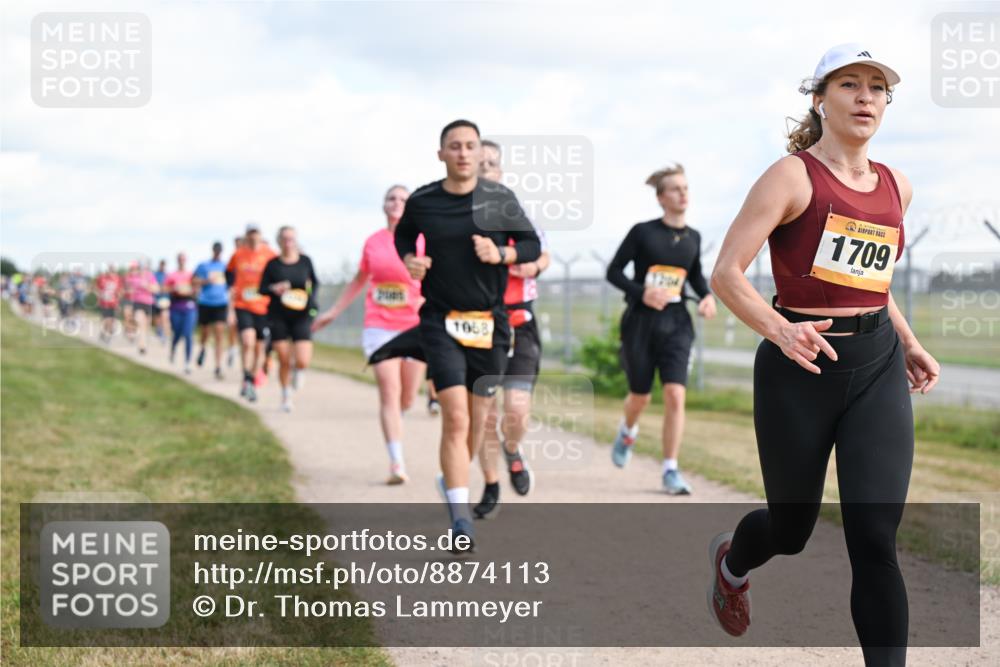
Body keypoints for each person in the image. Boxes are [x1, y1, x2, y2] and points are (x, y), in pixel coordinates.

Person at [706, 45, 940, 666]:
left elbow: (873, 285)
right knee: (792, 529)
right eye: (850, 85)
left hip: (878, 367)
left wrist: (911, 343)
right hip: (799, 370)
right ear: (819, 98)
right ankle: (732, 565)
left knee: (874, 536)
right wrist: (780, 330)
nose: (866, 97)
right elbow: (727, 273)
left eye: (877, 88)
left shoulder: (897, 187)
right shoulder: (791, 177)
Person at [393, 119, 541, 551]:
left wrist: (502, 252)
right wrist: (409, 259)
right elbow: (404, 234)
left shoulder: (500, 199)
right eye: (453, 146)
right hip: (440, 319)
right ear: (442, 154)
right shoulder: (423, 200)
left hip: (490, 325)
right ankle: (460, 519)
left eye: (470, 146)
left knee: (479, 422)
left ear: (480, 154)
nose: (462, 152)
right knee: (455, 417)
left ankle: (452, 479)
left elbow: (530, 244)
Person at [605, 163, 717, 494]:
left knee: (675, 393)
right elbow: (614, 271)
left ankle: (670, 469)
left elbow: (693, 275)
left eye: (686, 187)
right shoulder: (642, 232)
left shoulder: (694, 237)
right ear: (660, 197)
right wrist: (642, 292)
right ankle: (628, 430)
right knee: (639, 397)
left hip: (677, 323)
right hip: (641, 323)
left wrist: (707, 296)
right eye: (675, 188)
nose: (683, 193)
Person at [313, 185, 427, 483]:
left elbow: (438, 277)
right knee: (389, 392)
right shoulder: (373, 243)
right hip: (379, 326)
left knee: (407, 398)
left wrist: (429, 299)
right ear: (383, 206)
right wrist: (333, 311)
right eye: (391, 198)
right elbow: (358, 280)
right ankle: (396, 463)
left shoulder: (423, 241)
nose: (397, 203)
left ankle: (396, 430)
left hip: (415, 325)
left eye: (403, 199)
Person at [473, 139, 550, 519]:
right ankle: (490, 484)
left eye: (491, 164)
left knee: (515, 410)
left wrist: (532, 266)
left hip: (519, 321)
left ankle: (512, 449)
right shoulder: (458, 218)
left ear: (500, 172)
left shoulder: (517, 212)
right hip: (477, 324)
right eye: (479, 163)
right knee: (482, 413)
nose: (485, 169)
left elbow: (544, 252)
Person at [259, 226, 318, 412]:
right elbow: (262, 288)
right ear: (279, 241)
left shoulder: (305, 261)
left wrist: (311, 300)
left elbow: (315, 283)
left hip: (301, 314)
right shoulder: (272, 264)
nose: (288, 242)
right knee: (284, 359)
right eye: (284, 238)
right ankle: (286, 396)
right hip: (278, 315)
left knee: (302, 360)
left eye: (291, 238)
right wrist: (274, 288)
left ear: (296, 240)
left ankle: (299, 371)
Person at [226, 223, 277, 402]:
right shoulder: (238, 254)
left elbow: (278, 272)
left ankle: (252, 379)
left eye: (256, 233)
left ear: (260, 235)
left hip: (264, 306)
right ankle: (246, 378)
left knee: (260, 347)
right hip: (243, 304)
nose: (253, 237)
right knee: (247, 341)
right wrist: (231, 290)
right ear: (246, 236)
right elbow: (229, 273)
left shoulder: (270, 254)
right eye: (250, 234)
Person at [194, 241, 231, 379]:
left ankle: (218, 366)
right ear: (213, 250)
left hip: (221, 303)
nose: (217, 252)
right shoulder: (204, 265)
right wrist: (206, 281)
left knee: (219, 335)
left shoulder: (226, 266)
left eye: (219, 250)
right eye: (216, 250)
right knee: (205, 332)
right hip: (205, 302)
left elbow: (231, 285)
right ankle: (203, 348)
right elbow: (194, 281)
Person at [165, 253, 197, 374]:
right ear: (177, 260)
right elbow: (165, 288)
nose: (182, 261)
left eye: (184, 259)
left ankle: (187, 362)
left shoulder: (191, 275)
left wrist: (191, 290)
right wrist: (174, 289)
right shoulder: (172, 275)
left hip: (189, 306)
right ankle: (173, 348)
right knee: (177, 333)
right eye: (180, 259)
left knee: (188, 333)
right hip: (175, 306)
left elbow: (196, 288)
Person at [125, 260, 158, 354]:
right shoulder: (133, 277)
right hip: (137, 303)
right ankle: (142, 346)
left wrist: (146, 286)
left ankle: (143, 343)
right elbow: (127, 288)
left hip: (148, 303)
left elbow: (156, 289)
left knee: (146, 326)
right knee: (140, 322)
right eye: (141, 267)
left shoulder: (150, 276)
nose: (142, 269)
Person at [95, 264, 122, 343]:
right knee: (106, 320)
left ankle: (108, 335)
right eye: (110, 270)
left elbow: (120, 291)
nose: (111, 272)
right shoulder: (102, 278)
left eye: (113, 270)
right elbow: (97, 288)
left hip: (113, 303)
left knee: (111, 320)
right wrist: (99, 296)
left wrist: (118, 303)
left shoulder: (118, 279)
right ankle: (104, 333)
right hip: (104, 303)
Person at [152, 259, 169, 343]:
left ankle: (164, 335)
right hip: (156, 298)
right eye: (161, 264)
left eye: (164, 265)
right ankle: (158, 329)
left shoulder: (167, 275)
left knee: (164, 316)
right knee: (157, 317)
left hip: (165, 299)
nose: (163, 266)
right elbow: (153, 285)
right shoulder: (155, 274)